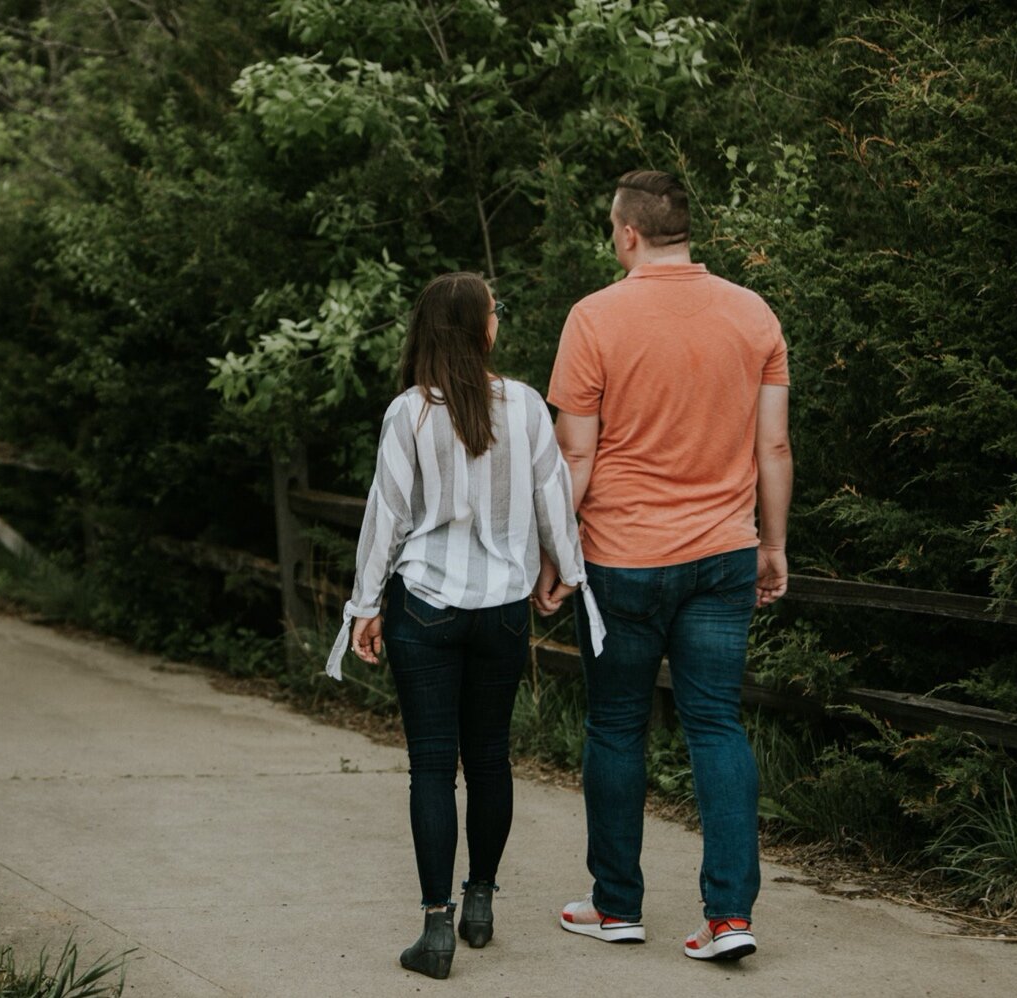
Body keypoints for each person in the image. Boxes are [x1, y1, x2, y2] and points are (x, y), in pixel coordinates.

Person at [535, 170, 792, 962]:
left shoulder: (595, 318)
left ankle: (617, 905)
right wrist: (772, 545)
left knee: (616, 725)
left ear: (628, 232)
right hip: (723, 553)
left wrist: (553, 553)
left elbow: (575, 452)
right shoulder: (753, 314)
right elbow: (774, 445)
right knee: (716, 723)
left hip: (621, 560)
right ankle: (728, 918)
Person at [325, 271, 605, 980]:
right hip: (502, 612)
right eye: (495, 311)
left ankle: (436, 927)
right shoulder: (525, 407)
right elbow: (553, 499)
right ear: (483, 328)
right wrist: (564, 571)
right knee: (489, 759)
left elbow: (384, 517)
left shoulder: (409, 413)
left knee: (431, 766)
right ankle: (480, 901)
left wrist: (363, 606)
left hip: (424, 606)